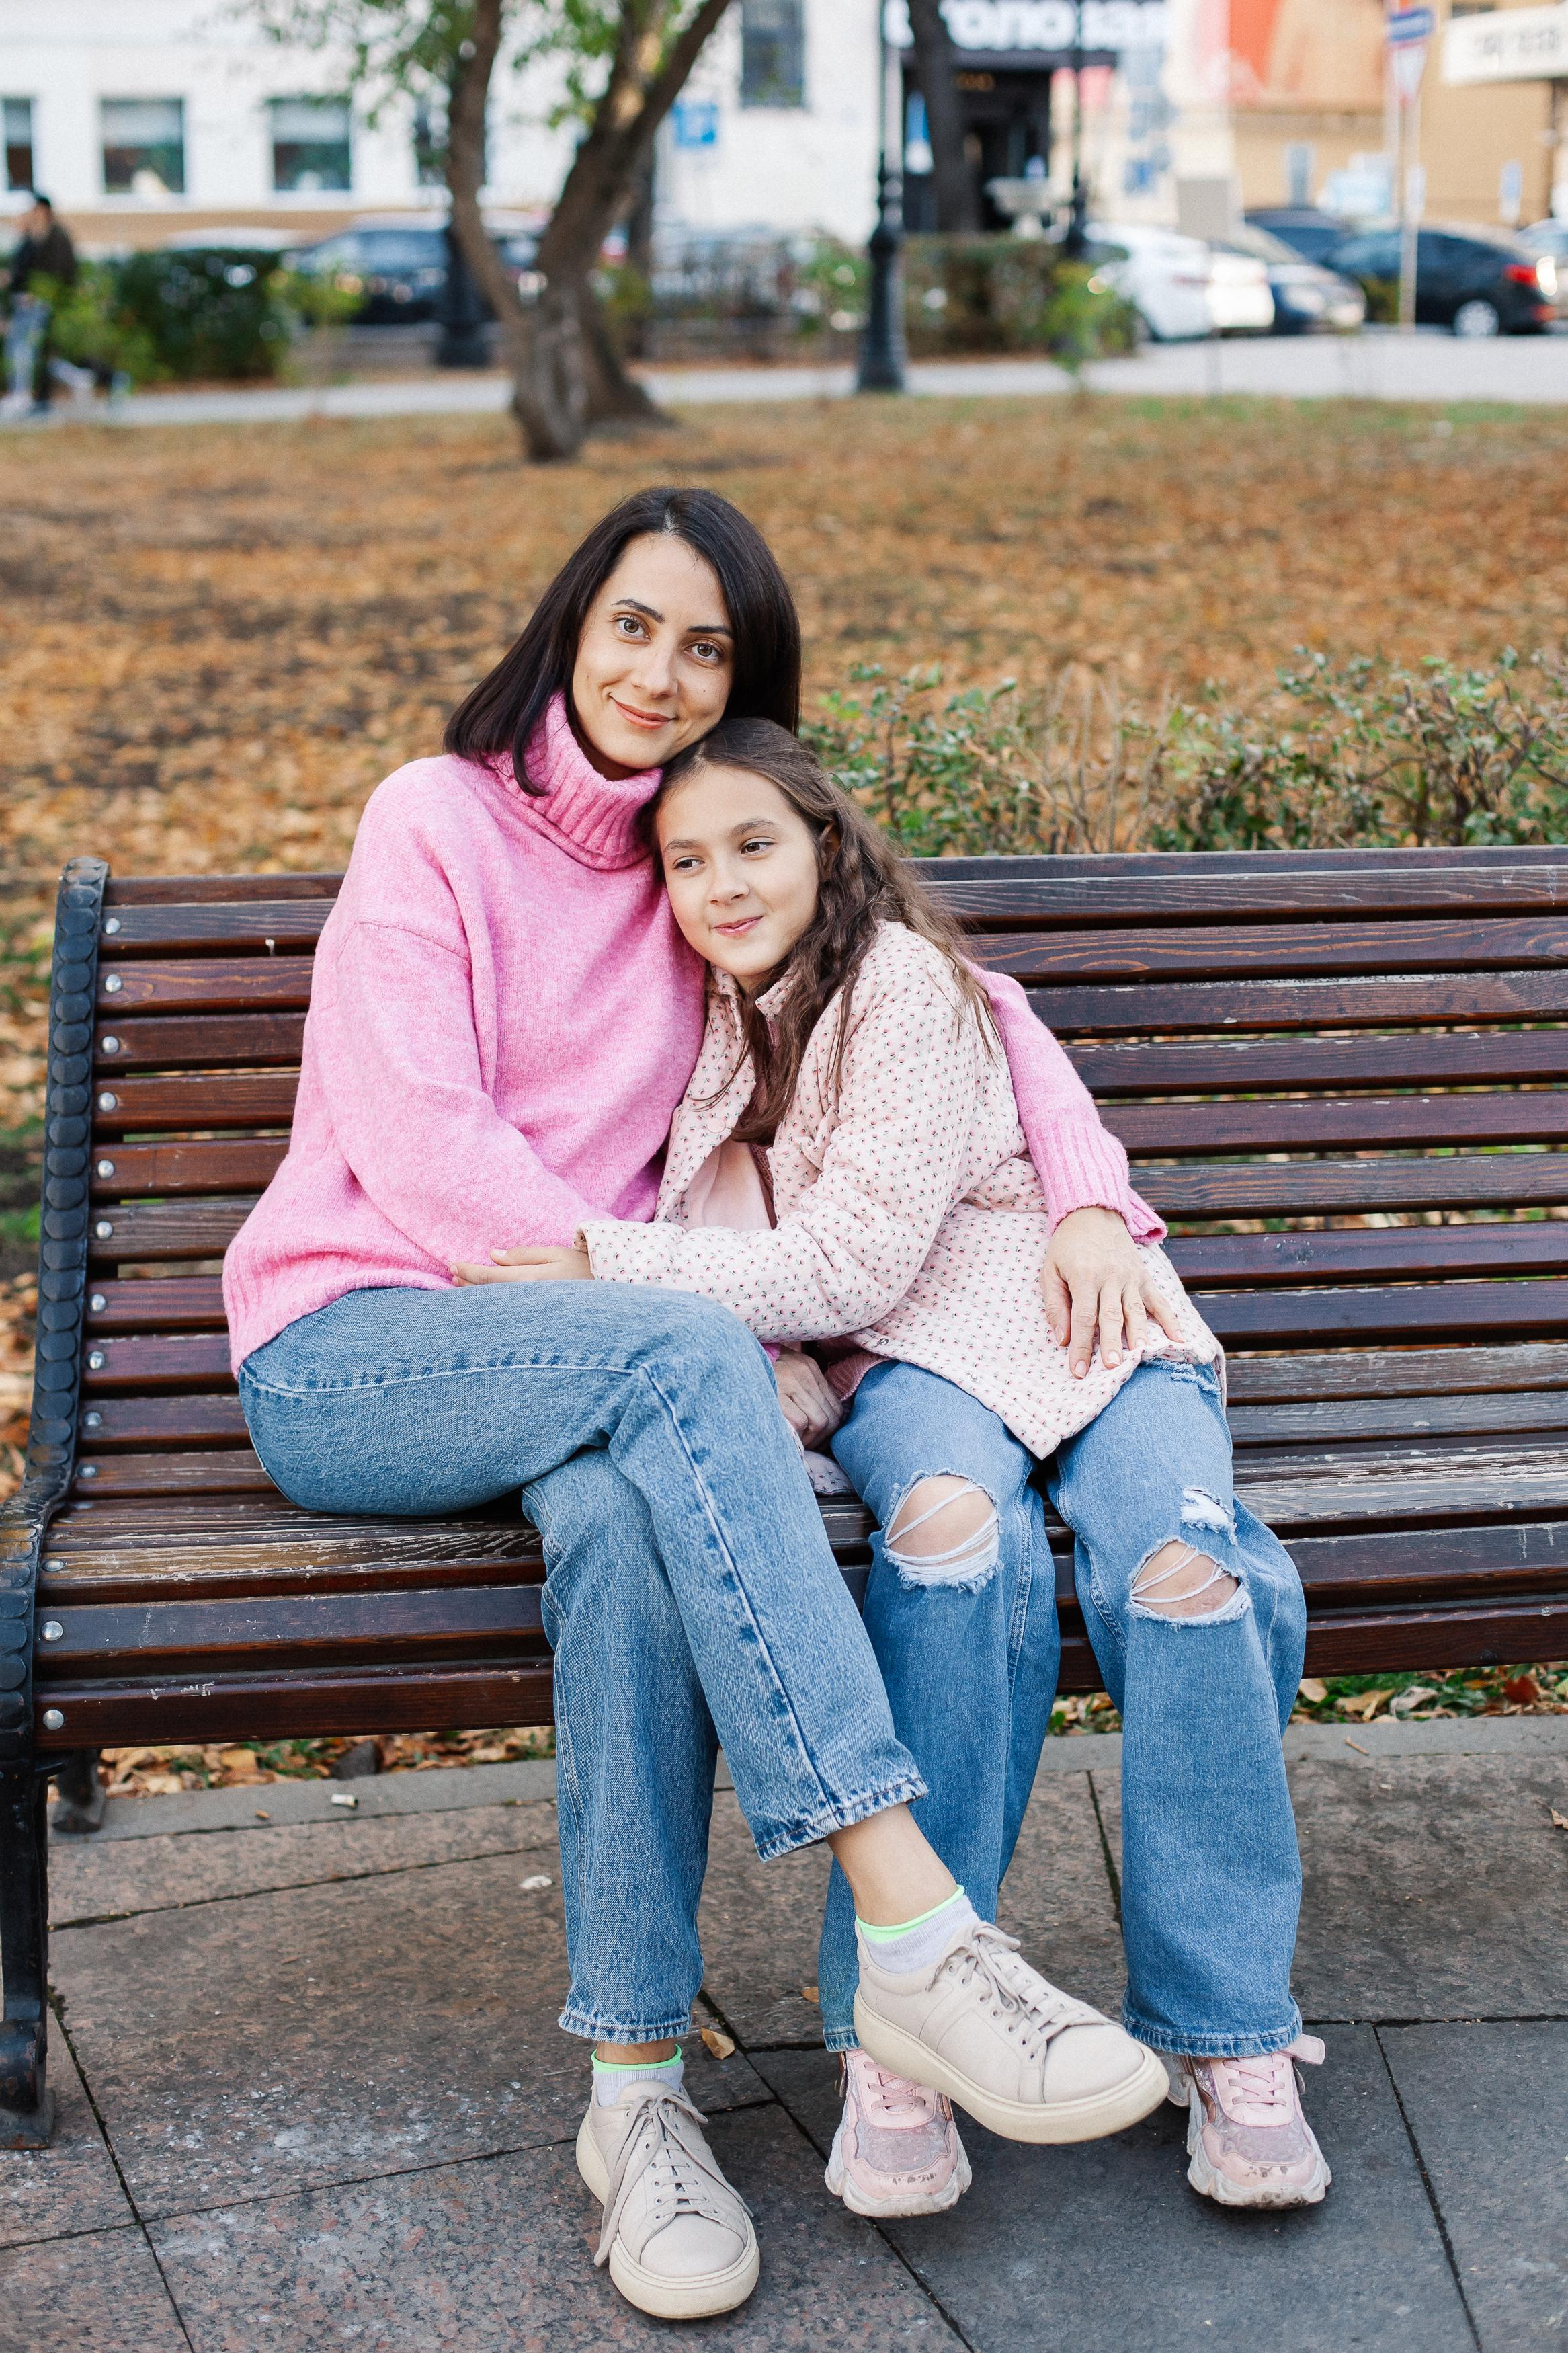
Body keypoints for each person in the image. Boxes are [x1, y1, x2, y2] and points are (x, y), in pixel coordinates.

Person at [226, 487, 1179, 2322]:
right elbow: (419, 1141)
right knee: (673, 1347)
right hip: (356, 1343)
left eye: (707, 649)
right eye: (634, 626)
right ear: (572, 619)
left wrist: (1082, 1192)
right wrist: (612, 1274)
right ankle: (915, 1921)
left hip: (578, 1384)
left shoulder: (695, 858)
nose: (660, 675)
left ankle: (633, 2103)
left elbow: (967, 1000)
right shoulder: (429, 823)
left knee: (620, 1530)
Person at [472, 715, 1329, 2224]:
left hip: (1094, 1326)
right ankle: (905, 2032)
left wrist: (1090, 1204)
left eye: (753, 844)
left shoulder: (906, 983)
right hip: (909, 1365)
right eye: (684, 861)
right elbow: (757, 1241)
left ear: (825, 842)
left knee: (1187, 1580)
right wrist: (772, 1369)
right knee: (942, 1543)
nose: (721, 884)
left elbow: (845, 1242)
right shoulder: (718, 1021)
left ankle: (1227, 2031)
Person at [2, 195, 76, 416]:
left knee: (26, 349)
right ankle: (32, 395)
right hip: (27, 302)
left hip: (37, 303)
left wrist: (37, 293)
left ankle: (25, 395)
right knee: (26, 349)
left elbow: (57, 271)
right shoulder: (35, 237)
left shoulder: (54, 237)